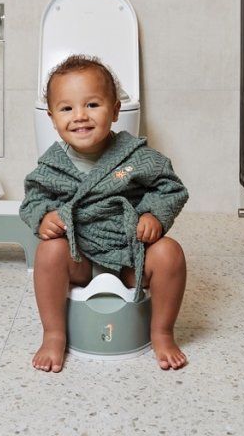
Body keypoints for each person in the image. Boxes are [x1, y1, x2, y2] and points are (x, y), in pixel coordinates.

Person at [19, 53, 189, 372]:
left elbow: (170, 188)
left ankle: (162, 332)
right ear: (52, 119)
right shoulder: (52, 165)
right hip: (79, 256)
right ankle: (53, 334)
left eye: (92, 105)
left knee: (170, 253)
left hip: (131, 254)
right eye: (67, 109)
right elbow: (32, 200)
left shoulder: (136, 157)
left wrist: (153, 215)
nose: (80, 116)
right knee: (48, 252)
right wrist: (44, 217)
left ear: (115, 110)